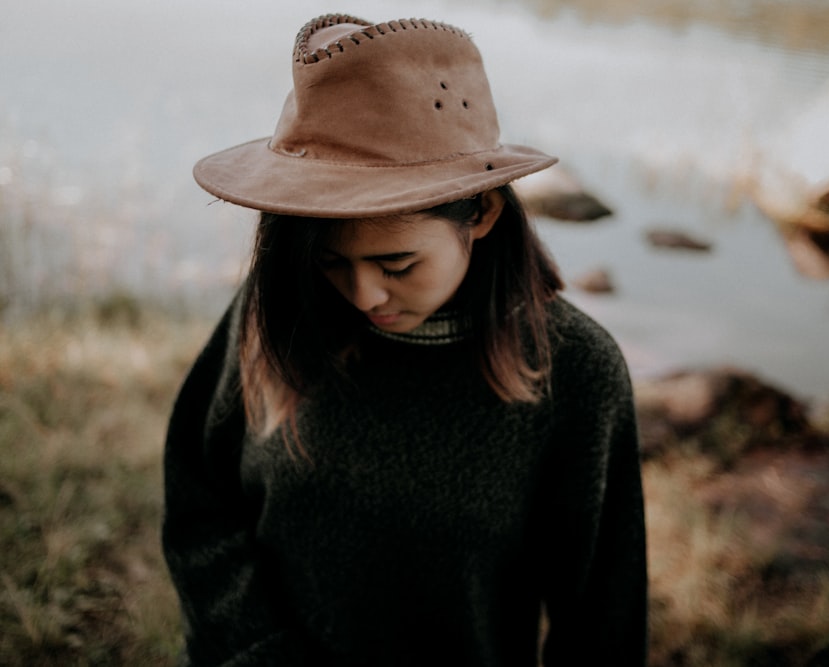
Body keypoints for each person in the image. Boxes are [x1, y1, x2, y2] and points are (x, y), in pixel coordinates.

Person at [161, 12, 647, 666]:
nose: (363, 296)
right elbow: (200, 502)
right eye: (331, 261)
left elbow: (601, 626)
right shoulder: (277, 308)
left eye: (397, 264)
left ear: (481, 212)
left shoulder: (576, 374)